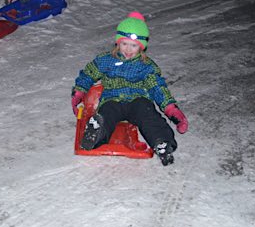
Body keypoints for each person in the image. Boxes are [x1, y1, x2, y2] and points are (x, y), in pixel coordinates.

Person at [71, 11, 188, 166]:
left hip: (138, 100)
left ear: (141, 47)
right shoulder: (106, 60)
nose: (128, 49)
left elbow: (157, 88)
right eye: (124, 43)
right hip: (112, 99)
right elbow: (89, 73)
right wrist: (79, 91)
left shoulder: (146, 66)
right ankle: (95, 134)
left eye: (133, 45)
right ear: (118, 42)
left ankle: (162, 143)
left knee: (148, 116)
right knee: (106, 114)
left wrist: (172, 110)